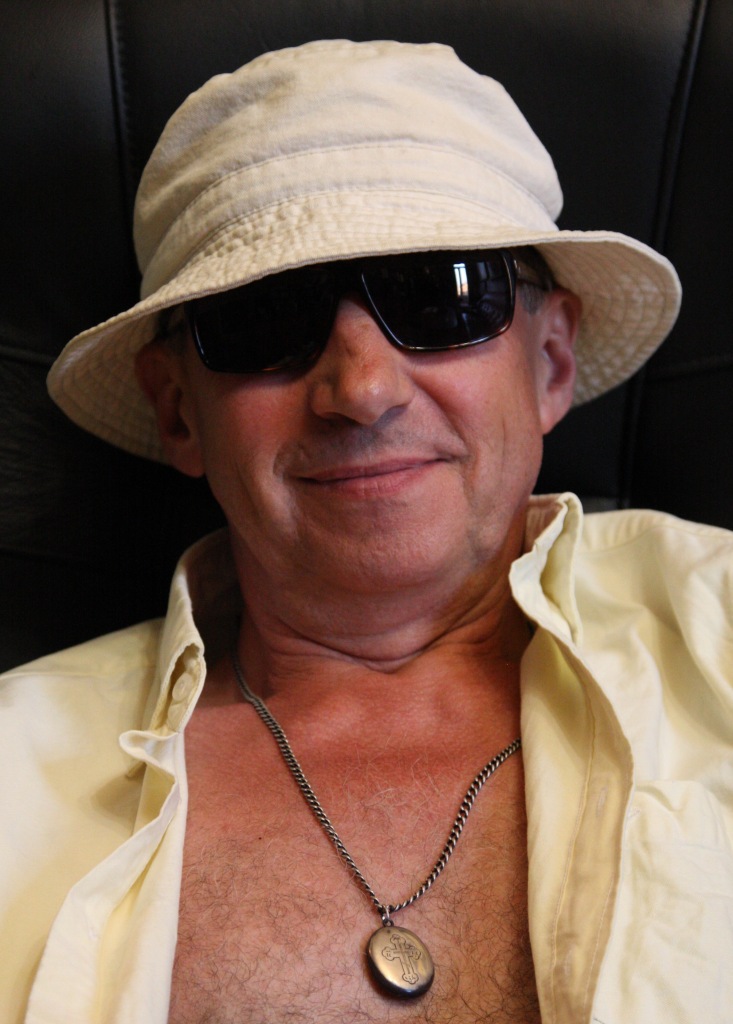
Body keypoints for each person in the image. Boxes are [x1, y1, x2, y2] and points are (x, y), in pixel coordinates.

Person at [1, 38, 731, 1024]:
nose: (362, 389)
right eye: (264, 320)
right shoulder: (13, 771)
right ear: (178, 411)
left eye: (439, 295)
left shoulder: (719, 632)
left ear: (551, 361)